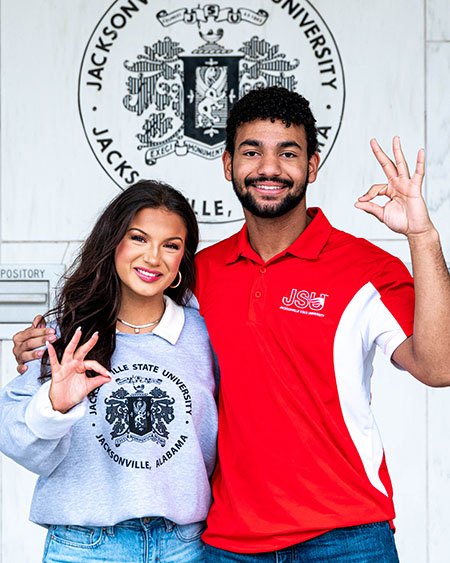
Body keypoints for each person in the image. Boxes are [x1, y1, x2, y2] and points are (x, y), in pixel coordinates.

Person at [12, 87, 450, 562]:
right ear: (227, 165)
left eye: (288, 153)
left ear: (313, 166)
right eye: (251, 152)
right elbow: (130, 323)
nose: (269, 168)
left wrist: (422, 236)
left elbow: (439, 365)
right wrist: (44, 346)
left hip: (346, 535)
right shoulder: (199, 274)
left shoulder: (365, 267)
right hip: (229, 543)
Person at [0, 180, 218, 563]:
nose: (154, 257)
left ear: (182, 260)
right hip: (85, 547)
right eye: (138, 238)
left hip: (185, 546)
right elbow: (15, 439)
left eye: (171, 245)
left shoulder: (205, 335)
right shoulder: (67, 337)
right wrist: (53, 405)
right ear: (112, 242)